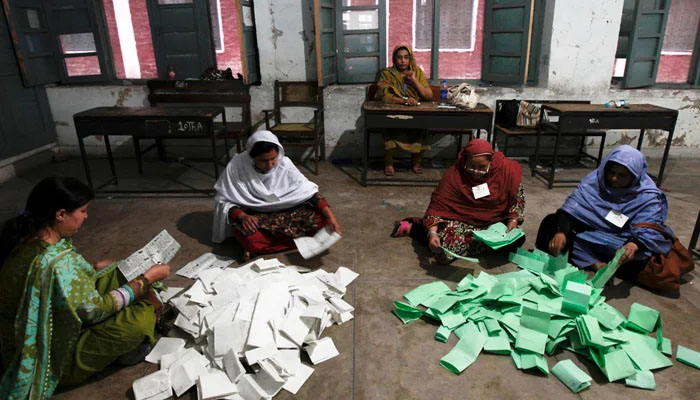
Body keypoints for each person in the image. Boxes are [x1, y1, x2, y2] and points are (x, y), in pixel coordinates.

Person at [0, 177, 170, 399]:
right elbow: (95, 310)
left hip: (44, 324)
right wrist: (145, 281)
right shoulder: (57, 263)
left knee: (119, 270)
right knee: (138, 322)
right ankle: (124, 346)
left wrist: (93, 268)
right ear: (60, 214)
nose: (86, 217)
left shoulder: (26, 235)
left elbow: (65, 285)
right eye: (83, 211)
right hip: (51, 351)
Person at [535, 145, 672, 278]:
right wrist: (562, 233)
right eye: (611, 173)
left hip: (620, 239)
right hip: (591, 233)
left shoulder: (648, 197)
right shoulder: (594, 181)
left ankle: (591, 260)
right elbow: (571, 210)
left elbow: (648, 229)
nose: (614, 179)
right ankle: (595, 263)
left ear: (635, 176)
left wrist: (634, 245)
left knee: (642, 258)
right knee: (551, 224)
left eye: (622, 175)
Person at [391, 139, 525, 263]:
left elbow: (517, 198)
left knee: (517, 240)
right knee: (443, 250)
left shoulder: (506, 170)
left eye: (482, 167)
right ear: (464, 161)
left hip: (494, 222)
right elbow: (437, 206)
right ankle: (417, 230)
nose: (476, 172)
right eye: (471, 166)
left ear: (491, 161)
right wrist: (432, 233)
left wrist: (512, 220)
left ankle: (474, 244)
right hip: (462, 221)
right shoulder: (454, 175)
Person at [212, 130, 341, 258]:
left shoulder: (285, 164)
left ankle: (268, 246)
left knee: (323, 223)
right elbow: (223, 200)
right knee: (252, 239)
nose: (270, 165)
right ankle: (294, 242)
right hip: (255, 216)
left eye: (273, 158)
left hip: (288, 213)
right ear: (252, 157)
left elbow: (310, 193)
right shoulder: (237, 166)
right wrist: (242, 216)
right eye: (263, 160)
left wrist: (331, 217)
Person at [375, 45, 433, 176]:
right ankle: (389, 162)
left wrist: (414, 80)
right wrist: (403, 101)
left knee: (422, 127)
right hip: (394, 111)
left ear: (410, 58)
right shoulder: (387, 73)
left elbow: (428, 96)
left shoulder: (417, 72)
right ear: (394, 59)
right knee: (388, 126)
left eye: (406, 57)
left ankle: (416, 161)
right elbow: (383, 95)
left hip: (414, 111)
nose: (403, 61)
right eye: (399, 57)